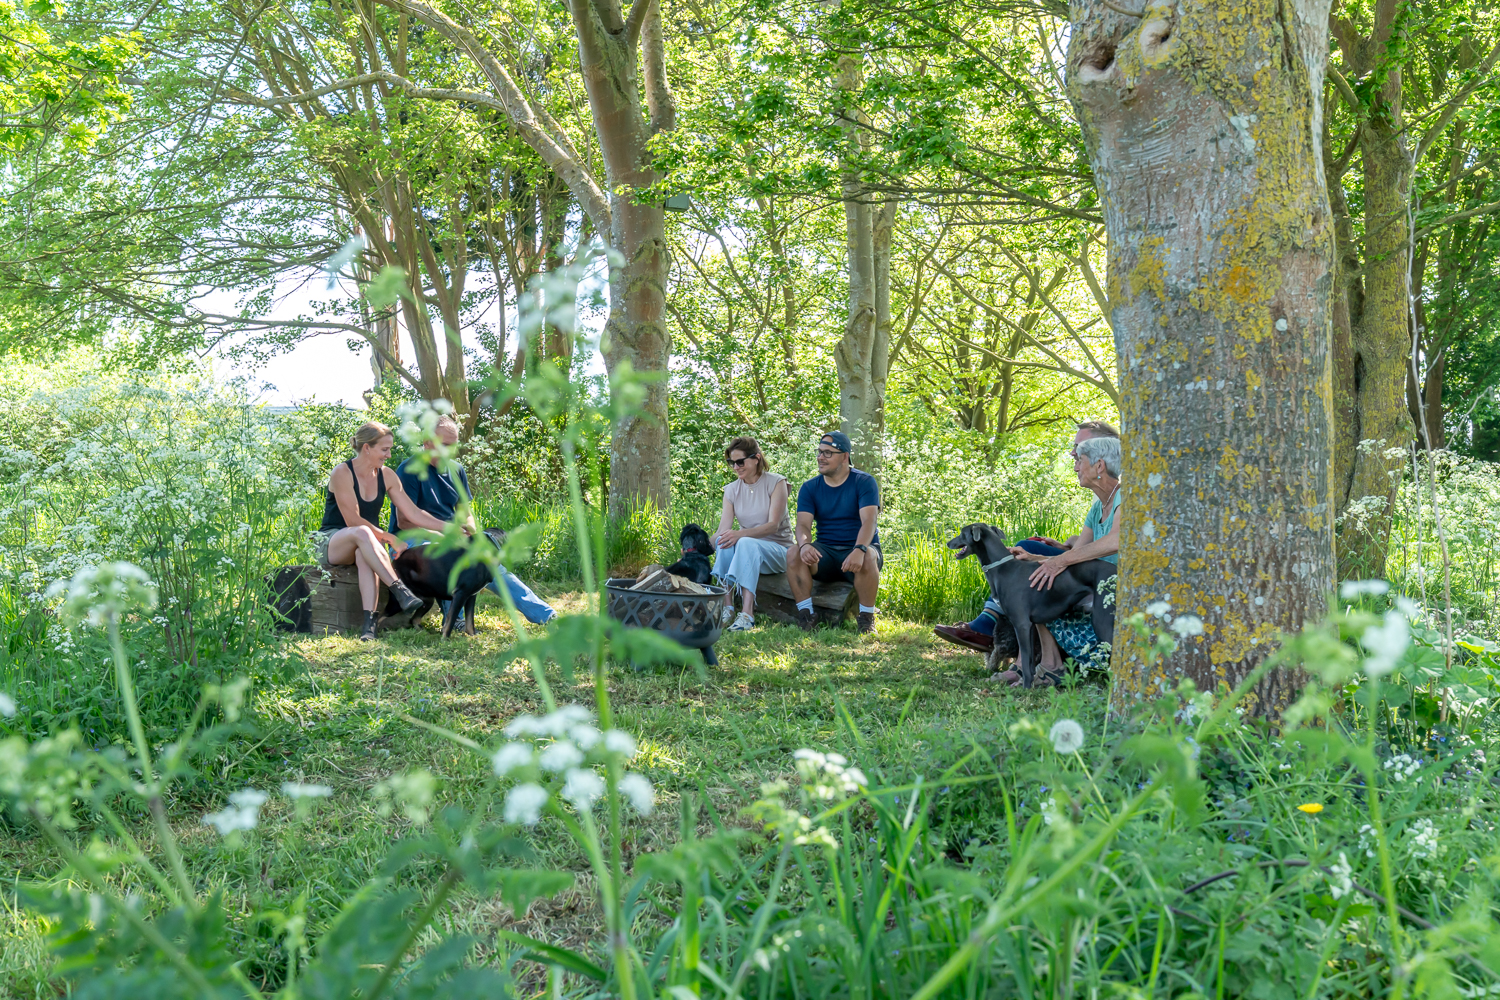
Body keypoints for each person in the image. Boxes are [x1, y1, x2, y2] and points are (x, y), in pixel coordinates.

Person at [934, 421, 1122, 683]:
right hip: (1091, 578)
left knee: (1038, 579)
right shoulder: (1097, 508)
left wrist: (1053, 561)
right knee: (1034, 575)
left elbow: (1115, 541)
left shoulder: (1125, 496)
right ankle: (1038, 666)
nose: (1075, 466)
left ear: (1099, 466)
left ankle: (1038, 663)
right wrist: (1035, 559)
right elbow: (1076, 553)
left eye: (1080, 459)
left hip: (1112, 581)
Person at [388, 415, 557, 628]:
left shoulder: (457, 470)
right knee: (446, 555)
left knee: (490, 564)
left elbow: (466, 513)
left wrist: (470, 532)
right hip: (412, 541)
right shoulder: (408, 470)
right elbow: (404, 522)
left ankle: (545, 615)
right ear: (427, 441)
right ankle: (456, 621)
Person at [313, 421, 449, 641]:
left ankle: (369, 626)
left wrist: (449, 527)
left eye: (390, 449)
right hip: (333, 541)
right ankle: (399, 588)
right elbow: (352, 520)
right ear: (367, 448)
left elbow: (413, 513)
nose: (388, 455)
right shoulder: (342, 472)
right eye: (384, 449)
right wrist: (389, 537)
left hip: (366, 543)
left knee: (364, 552)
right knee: (362, 533)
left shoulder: (387, 475)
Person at [787, 430, 882, 635]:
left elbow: (869, 522)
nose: (820, 457)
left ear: (845, 456)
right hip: (826, 553)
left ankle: (866, 620)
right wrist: (804, 545)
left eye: (828, 453)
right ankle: (806, 616)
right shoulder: (810, 487)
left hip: (859, 551)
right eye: (819, 452)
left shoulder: (864, 482)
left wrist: (859, 549)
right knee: (794, 552)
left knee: (868, 554)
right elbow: (803, 525)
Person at [712, 436, 793, 632]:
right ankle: (728, 608)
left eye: (740, 462)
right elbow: (722, 530)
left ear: (756, 458)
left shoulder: (776, 482)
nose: (735, 467)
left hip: (779, 552)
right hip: (747, 550)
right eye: (731, 462)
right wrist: (695, 549)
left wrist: (741, 535)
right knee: (724, 540)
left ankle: (747, 615)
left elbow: (773, 526)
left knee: (744, 541)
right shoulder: (731, 490)